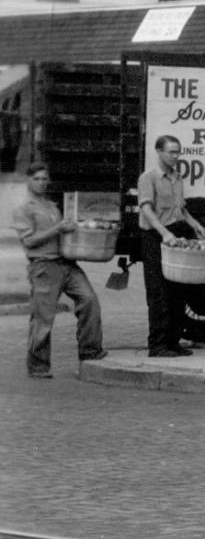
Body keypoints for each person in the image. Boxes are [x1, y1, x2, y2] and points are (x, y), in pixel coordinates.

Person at [17, 162, 106, 378]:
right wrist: (57, 228)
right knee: (43, 318)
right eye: (36, 179)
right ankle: (38, 366)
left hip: (66, 263)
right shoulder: (24, 208)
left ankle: (90, 350)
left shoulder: (52, 206)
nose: (41, 183)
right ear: (28, 181)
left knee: (89, 300)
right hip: (44, 266)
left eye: (44, 179)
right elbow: (29, 241)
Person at [130, 135, 205, 357]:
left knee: (178, 290)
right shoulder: (149, 177)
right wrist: (164, 233)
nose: (175, 156)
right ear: (159, 151)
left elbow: (180, 209)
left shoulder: (177, 177)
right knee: (159, 292)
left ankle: (173, 341)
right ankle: (157, 345)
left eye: (177, 152)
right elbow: (146, 209)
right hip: (156, 236)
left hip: (176, 234)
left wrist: (195, 225)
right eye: (171, 152)